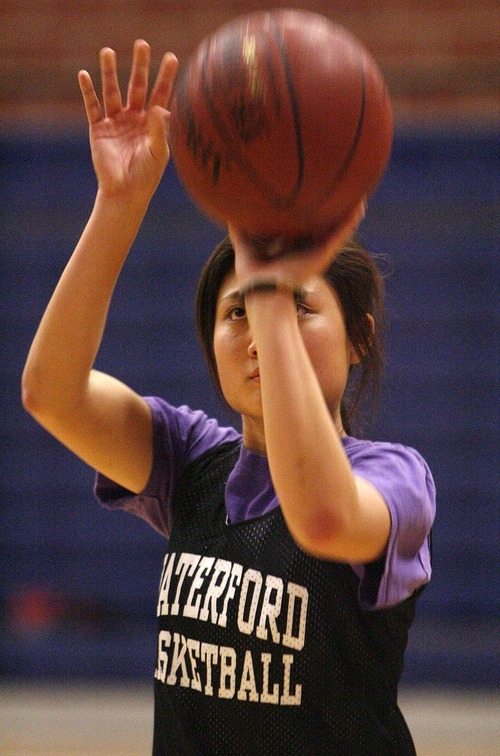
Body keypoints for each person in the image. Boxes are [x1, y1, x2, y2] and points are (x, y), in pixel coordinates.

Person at [22, 40, 435, 754]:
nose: (256, 330)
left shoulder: (395, 478)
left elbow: (325, 520)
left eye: (295, 305)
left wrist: (269, 285)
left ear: (358, 338)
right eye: (235, 312)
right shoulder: (189, 461)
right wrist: (119, 204)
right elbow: (50, 392)